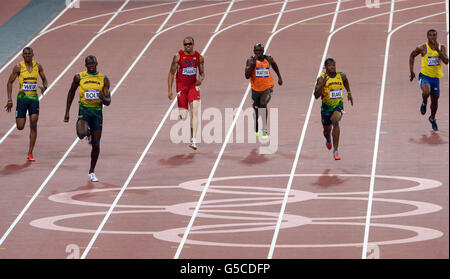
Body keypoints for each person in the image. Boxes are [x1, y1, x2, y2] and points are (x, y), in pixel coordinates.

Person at [64, 55, 111, 182]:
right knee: (81, 134)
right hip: (84, 110)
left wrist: (102, 98)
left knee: (96, 144)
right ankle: (87, 132)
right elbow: (71, 92)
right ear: (85, 65)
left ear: (96, 63)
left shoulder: (104, 79)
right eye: (88, 64)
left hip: (97, 113)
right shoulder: (79, 77)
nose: (91, 65)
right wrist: (67, 112)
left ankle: (91, 171)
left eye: (93, 63)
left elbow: (108, 101)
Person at [5, 47, 48, 161]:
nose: (28, 55)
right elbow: (9, 82)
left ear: (33, 54)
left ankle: (30, 153)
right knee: (20, 126)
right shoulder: (18, 67)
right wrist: (10, 99)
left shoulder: (38, 66)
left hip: (34, 99)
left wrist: (45, 87)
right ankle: (20, 117)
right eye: (25, 54)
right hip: (22, 99)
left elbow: (44, 79)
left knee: (33, 124)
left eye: (29, 53)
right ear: (22, 55)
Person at [168, 36, 205, 150]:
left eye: (189, 44)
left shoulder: (199, 57)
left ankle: (193, 140)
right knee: (183, 116)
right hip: (181, 87)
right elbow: (171, 73)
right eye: (185, 44)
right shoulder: (178, 56)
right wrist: (170, 90)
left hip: (193, 86)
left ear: (193, 44)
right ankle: (183, 111)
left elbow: (202, 73)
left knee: (195, 111)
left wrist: (200, 79)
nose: (187, 46)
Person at [314, 58, 353, 160]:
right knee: (326, 131)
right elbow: (316, 95)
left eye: (334, 65)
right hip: (326, 109)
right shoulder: (321, 78)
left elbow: (345, 81)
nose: (332, 67)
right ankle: (328, 139)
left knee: (335, 121)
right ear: (325, 67)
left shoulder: (341, 75)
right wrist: (323, 84)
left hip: (338, 106)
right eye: (330, 65)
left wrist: (349, 93)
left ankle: (335, 150)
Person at [409, 29, 448, 131]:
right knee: (426, 92)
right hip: (424, 76)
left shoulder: (442, 47)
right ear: (427, 37)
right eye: (430, 35)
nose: (432, 37)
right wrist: (412, 71)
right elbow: (412, 55)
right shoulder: (422, 47)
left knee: (435, 101)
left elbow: (446, 61)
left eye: (434, 35)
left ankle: (432, 118)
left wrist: (438, 51)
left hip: (435, 78)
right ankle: (424, 102)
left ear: (436, 36)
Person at [245, 43, 282, 139]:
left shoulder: (268, 58)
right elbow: (246, 76)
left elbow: (274, 65)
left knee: (263, 103)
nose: (258, 53)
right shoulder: (250, 61)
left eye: (260, 51)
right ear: (254, 51)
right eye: (256, 51)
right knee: (256, 108)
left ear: (263, 51)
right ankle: (256, 122)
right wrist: (252, 66)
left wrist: (279, 77)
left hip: (267, 88)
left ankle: (264, 128)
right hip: (255, 89)